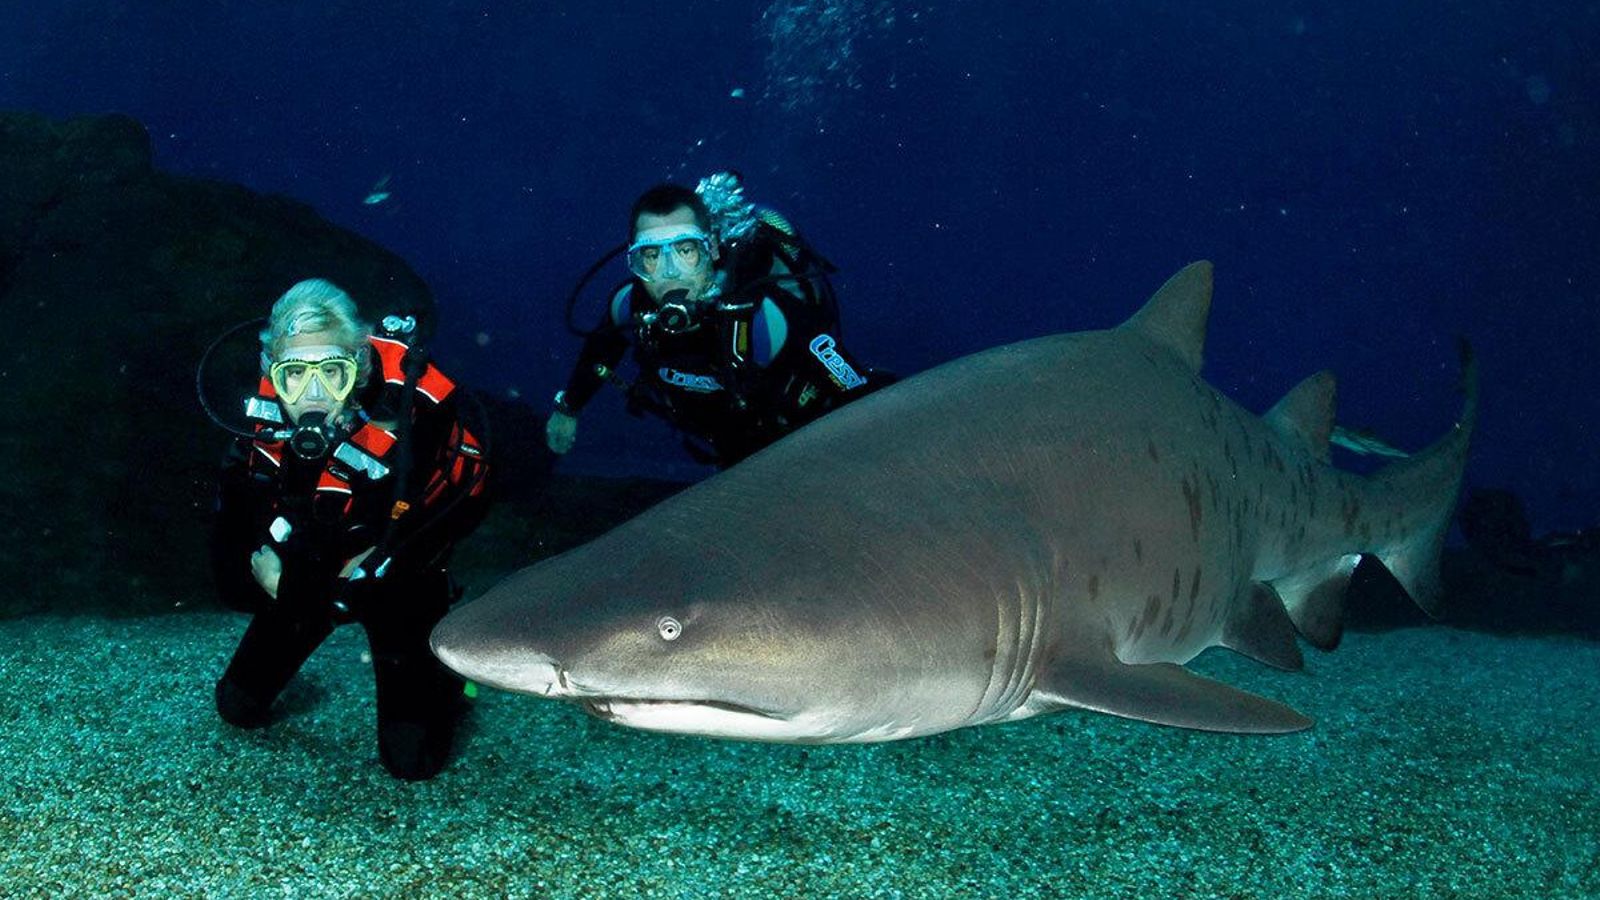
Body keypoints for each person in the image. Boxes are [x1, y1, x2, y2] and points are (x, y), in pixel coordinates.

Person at [210, 278, 489, 781]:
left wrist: (293, 583)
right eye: (295, 374)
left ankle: (451, 679)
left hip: (398, 569)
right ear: (271, 373)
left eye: (332, 372)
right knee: (237, 706)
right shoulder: (261, 427)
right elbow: (231, 566)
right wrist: (280, 571)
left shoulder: (413, 417)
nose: (313, 395)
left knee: (412, 762)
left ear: (357, 368)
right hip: (310, 569)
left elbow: (401, 538)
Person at [546, 175, 891, 468]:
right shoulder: (628, 305)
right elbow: (601, 350)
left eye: (685, 251)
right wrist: (568, 408)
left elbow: (859, 392)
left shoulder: (765, 317)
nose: (669, 273)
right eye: (651, 256)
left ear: (710, 249)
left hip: (800, 441)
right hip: (726, 450)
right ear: (635, 262)